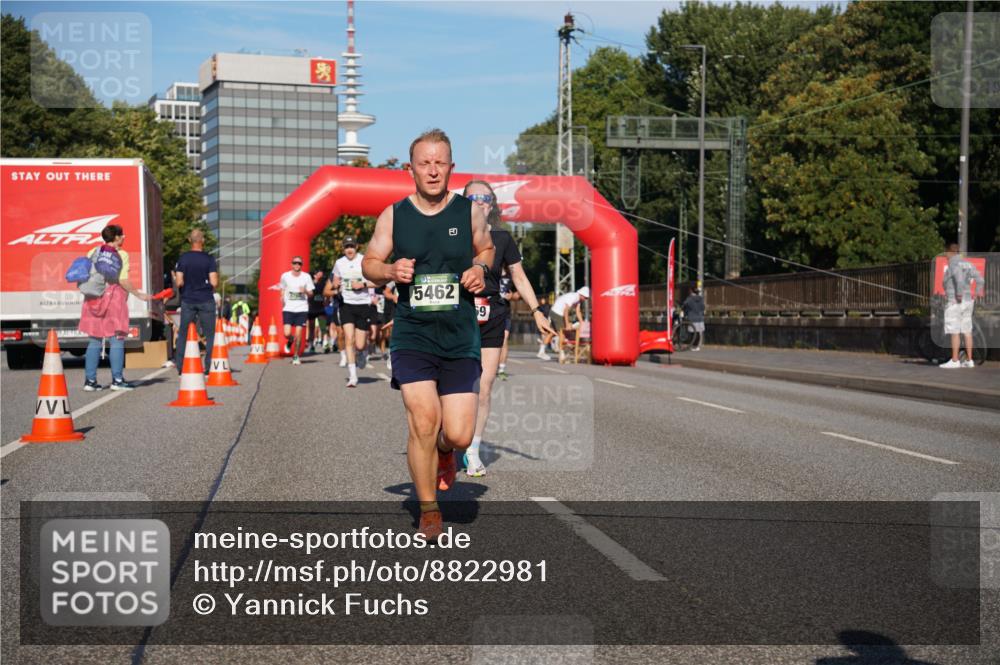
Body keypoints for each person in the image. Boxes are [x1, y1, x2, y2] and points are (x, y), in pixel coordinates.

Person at [362, 128, 494, 540]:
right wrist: (389, 270)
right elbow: (369, 262)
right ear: (411, 169)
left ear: (452, 168)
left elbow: (487, 249)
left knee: (458, 433)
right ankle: (429, 508)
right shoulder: (394, 215)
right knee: (423, 418)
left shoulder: (469, 212)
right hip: (413, 333)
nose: (433, 170)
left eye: (440, 163)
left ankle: (444, 453)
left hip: (459, 335)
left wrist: (480, 270)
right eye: (425, 163)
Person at [463, 180, 554, 477]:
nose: (480, 202)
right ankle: (447, 439)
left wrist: (538, 310)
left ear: (492, 204)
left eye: (486, 198)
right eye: (474, 197)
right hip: (456, 312)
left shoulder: (502, 238)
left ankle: (473, 450)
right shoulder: (450, 234)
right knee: (453, 384)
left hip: (491, 312)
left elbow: (519, 276)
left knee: (484, 385)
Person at [78, 224, 151, 390]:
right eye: (122, 235)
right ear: (116, 237)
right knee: (117, 338)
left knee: (94, 340)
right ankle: (117, 380)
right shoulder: (121, 254)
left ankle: (90, 382)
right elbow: (123, 280)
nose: (124, 237)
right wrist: (139, 294)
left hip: (93, 298)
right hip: (113, 298)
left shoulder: (93, 251)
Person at [330, 237, 375, 386]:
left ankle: (362, 353)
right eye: (346, 247)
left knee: (360, 344)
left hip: (363, 305)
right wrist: (335, 284)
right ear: (343, 248)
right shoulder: (339, 263)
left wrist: (362, 284)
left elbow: (376, 280)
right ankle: (353, 376)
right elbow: (334, 281)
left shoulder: (365, 260)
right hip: (346, 304)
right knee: (349, 338)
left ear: (357, 247)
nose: (349, 249)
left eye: (352, 246)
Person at [173, 229, 218, 373]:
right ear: (202, 240)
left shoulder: (183, 258)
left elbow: (179, 282)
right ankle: (209, 367)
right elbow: (214, 282)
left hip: (188, 300)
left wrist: (177, 279)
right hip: (206, 299)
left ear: (189, 241)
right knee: (210, 334)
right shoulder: (209, 259)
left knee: (184, 333)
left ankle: (180, 367)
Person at [940, 242, 984, 369]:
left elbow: (958, 279)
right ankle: (969, 360)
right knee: (967, 331)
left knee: (954, 331)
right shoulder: (967, 263)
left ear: (949, 252)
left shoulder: (953, 263)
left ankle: (955, 360)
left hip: (955, 301)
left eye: (946, 253)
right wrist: (976, 293)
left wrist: (958, 294)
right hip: (968, 301)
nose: (945, 256)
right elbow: (980, 280)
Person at [279, 256, 315, 365]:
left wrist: (306, 291)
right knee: (287, 333)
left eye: (299, 263)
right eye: (295, 263)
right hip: (288, 308)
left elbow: (312, 293)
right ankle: (290, 340)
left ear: (301, 265)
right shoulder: (285, 276)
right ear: (291, 264)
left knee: (299, 334)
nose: (297, 265)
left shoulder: (306, 277)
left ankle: (295, 356)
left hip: (301, 309)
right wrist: (281, 297)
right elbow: (282, 288)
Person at [548, 286, 590, 363]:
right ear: (582, 295)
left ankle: (542, 349)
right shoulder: (574, 297)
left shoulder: (578, 300)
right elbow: (566, 311)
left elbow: (578, 312)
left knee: (551, 332)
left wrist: (582, 323)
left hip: (556, 312)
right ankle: (562, 354)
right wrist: (567, 324)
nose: (586, 300)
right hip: (557, 312)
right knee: (562, 333)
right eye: (586, 298)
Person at [307, 269, 326, 353]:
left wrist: (326, 301)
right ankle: (311, 345)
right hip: (311, 308)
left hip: (321, 308)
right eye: (319, 273)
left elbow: (327, 293)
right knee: (311, 328)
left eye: (322, 273)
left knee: (323, 326)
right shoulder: (309, 283)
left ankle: (325, 344)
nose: (321, 274)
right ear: (315, 275)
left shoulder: (324, 283)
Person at [681, 285, 705, 351]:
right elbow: (703, 307)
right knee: (698, 332)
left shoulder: (689, 299)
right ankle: (697, 346)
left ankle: (693, 346)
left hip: (692, 318)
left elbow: (684, 305)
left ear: (691, 291)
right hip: (700, 318)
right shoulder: (701, 298)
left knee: (692, 333)